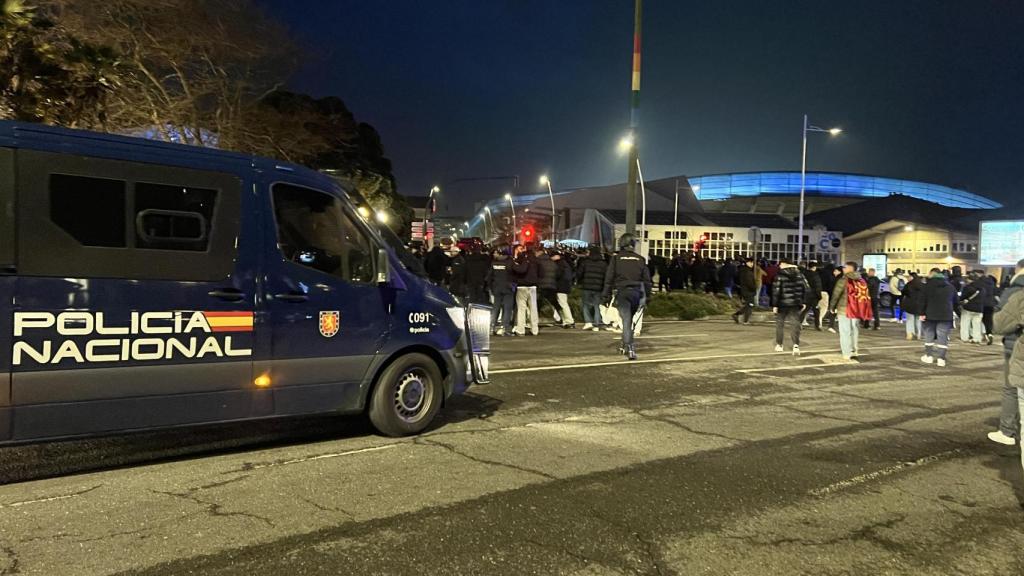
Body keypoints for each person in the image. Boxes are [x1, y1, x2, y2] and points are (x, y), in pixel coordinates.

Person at [988, 258, 1024, 446]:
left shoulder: (1016, 292)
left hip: (1017, 348)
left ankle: (1007, 430)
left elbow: (1000, 323)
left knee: (1012, 388)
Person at [603, 233, 652, 361]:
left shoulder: (616, 259)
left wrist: (605, 295)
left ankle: (630, 347)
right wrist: (648, 297)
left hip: (622, 292)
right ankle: (625, 344)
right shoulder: (640, 259)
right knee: (629, 321)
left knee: (626, 321)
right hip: (636, 293)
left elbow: (609, 278)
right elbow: (647, 281)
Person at [830, 262, 871, 361]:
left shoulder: (844, 280)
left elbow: (836, 294)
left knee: (845, 331)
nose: (843, 269)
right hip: (856, 309)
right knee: (854, 330)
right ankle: (854, 350)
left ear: (849, 268)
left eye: (845, 267)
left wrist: (832, 307)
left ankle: (846, 353)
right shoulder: (861, 280)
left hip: (844, 309)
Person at [920, 267, 957, 367]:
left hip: (930, 314)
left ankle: (929, 356)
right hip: (946, 314)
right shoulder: (950, 286)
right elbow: (956, 301)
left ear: (932, 274)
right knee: (943, 336)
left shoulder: (927, 286)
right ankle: (941, 359)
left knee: (929, 335)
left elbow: (923, 301)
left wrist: (922, 313)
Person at [772, 258, 809, 355]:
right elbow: (806, 289)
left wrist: (775, 305)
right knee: (794, 324)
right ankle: (796, 345)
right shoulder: (800, 275)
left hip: (782, 304)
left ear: (784, 264)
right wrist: (804, 302)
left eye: (780, 264)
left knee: (780, 324)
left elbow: (776, 291)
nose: (779, 266)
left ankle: (779, 345)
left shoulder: (780, 275)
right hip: (796, 304)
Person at [485, 246, 516, 336]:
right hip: (508, 288)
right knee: (507, 309)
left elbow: (488, 277)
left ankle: (492, 328)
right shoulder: (510, 263)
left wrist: (491, 288)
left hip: (497, 289)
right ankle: (505, 329)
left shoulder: (494, 263)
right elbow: (517, 272)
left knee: (496, 308)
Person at [577, 246, 608, 331]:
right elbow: (606, 277)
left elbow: (579, 273)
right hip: (598, 288)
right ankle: (597, 324)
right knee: (597, 306)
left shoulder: (585, 262)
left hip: (586, 286)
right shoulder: (603, 263)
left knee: (586, 305)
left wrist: (579, 281)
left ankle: (588, 322)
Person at [511, 244, 540, 336]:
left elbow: (520, 270)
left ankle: (520, 329)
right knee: (533, 308)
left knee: (521, 308)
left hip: (522, 285)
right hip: (533, 286)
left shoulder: (522, 257)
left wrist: (514, 263)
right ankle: (535, 329)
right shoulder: (536, 259)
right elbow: (541, 272)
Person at [959, 271, 986, 344]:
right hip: (979, 309)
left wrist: (961, 301)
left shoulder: (968, 287)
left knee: (965, 323)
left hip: (968, 308)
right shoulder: (983, 288)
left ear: (970, 279)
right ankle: (977, 338)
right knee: (977, 324)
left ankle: (964, 337)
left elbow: (962, 297)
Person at [552, 251, 576, 328]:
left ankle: (569, 321)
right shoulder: (564, 263)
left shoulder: (560, 264)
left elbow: (557, 275)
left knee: (563, 303)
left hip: (560, 287)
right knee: (562, 303)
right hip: (564, 286)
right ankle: (563, 319)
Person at [732, 257, 757, 325]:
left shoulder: (742, 270)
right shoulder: (748, 271)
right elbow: (749, 282)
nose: (752, 264)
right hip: (748, 291)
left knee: (748, 305)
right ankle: (745, 320)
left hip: (744, 290)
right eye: (751, 263)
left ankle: (737, 315)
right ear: (747, 263)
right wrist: (754, 288)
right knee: (750, 305)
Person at [902, 272, 926, 340]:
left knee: (910, 320)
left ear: (912, 277)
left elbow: (903, 292)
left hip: (910, 305)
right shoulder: (922, 285)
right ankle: (918, 334)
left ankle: (910, 334)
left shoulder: (908, 285)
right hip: (920, 306)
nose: (908, 278)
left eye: (909, 277)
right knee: (918, 320)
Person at [802, 261, 824, 330]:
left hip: (806, 294)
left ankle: (798, 323)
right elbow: (818, 286)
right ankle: (817, 326)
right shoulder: (815, 275)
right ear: (814, 267)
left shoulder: (804, 274)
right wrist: (819, 296)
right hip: (814, 295)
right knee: (816, 311)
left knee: (806, 309)